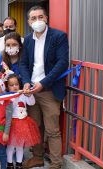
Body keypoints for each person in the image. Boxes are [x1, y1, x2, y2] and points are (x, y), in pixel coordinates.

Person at [19, 6, 69, 169]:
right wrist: (26, 81)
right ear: (28, 22)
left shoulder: (58, 36)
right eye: (33, 18)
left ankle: (56, 163)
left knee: (52, 129)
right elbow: (24, 64)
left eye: (40, 17)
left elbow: (62, 63)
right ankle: (38, 157)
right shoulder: (27, 39)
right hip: (31, 91)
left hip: (49, 90)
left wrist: (43, 83)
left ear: (46, 18)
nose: (37, 21)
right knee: (35, 127)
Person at [5, 74, 40, 169]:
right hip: (12, 123)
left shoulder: (23, 95)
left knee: (20, 145)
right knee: (11, 145)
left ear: (19, 85)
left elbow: (31, 103)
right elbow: (11, 106)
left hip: (23, 123)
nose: (14, 87)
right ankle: (9, 163)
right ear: (7, 87)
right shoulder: (8, 97)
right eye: (11, 85)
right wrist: (16, 95)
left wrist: (29, 95)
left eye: (16, 84)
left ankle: (19, 163)